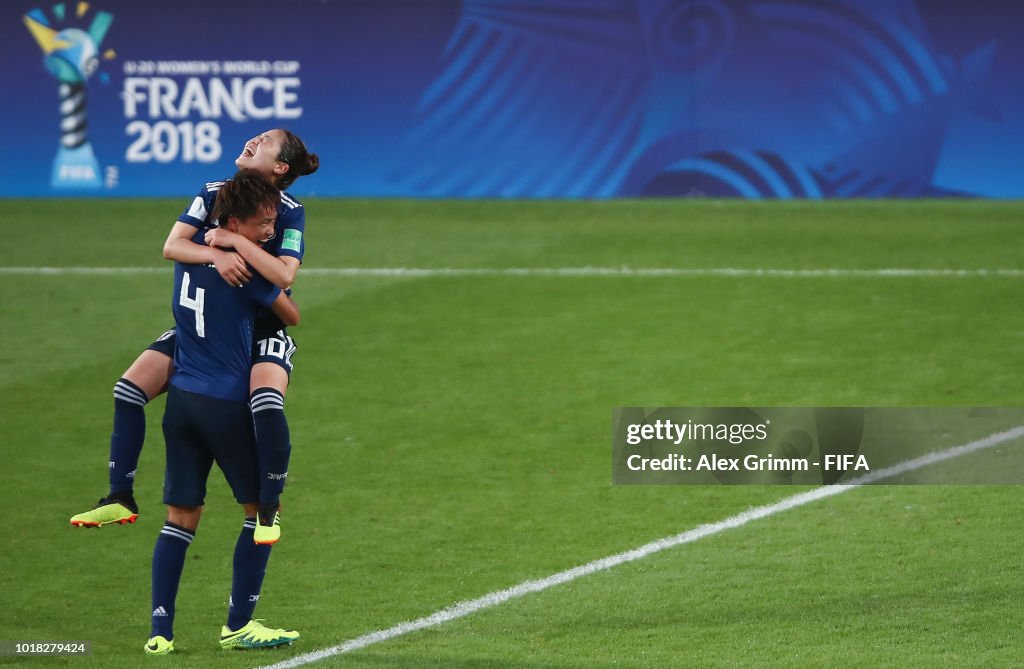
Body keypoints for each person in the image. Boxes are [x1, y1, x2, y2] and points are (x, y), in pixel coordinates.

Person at [71, 129, 319, 545]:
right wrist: (216, 254)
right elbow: (173, 246)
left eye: (268, 140)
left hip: (256, 329)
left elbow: (285, 275)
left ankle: (268, 507)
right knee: (128, 391)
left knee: (264, 406)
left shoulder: (290, 212)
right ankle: (120, 496)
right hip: (205, 324)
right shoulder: (213, 192)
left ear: (280, 168)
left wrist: (234, 239)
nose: (255, 139)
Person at [145, 172, 300, 655]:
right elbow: (290, 312)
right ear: (233, 221)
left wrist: (220, 242)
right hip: (225, 404)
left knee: (180, 516)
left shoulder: (190, 255)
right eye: (262, 224)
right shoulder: (243, 270)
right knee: (259, 513)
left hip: (181, 403)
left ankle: (160, 633)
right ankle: (238, 624)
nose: (270, 233)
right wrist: (246, 255)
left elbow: (176, 247)